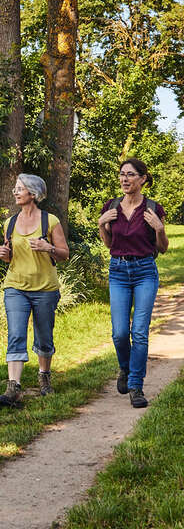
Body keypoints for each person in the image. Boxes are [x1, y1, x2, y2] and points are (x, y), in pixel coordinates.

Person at [98, 157, 168, 408]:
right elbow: (109, 244)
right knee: (119, 333)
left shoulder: (152, 208)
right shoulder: (112, 205)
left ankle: (136, 386)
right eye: (121, 174)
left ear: (142, 179)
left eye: (129, 174)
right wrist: (101, 224)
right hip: (118, 270)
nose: (124, 179)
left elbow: (163, 248)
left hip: (145, 270)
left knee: (139, 331)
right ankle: (126, 369)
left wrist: (159, 229)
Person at [0, 174, 69, 407]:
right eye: (15, 189)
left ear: (33, 194)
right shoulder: (10, 223)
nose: (15, 192)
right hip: (15, 286)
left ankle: (44, 376)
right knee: (16, 334)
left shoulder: (50, 221)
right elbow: (10, 256)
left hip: (45, 288)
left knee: (44, 335)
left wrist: (48, 247)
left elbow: (64, 254)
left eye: (20, 189)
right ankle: (13, 386)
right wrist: (4, 255)